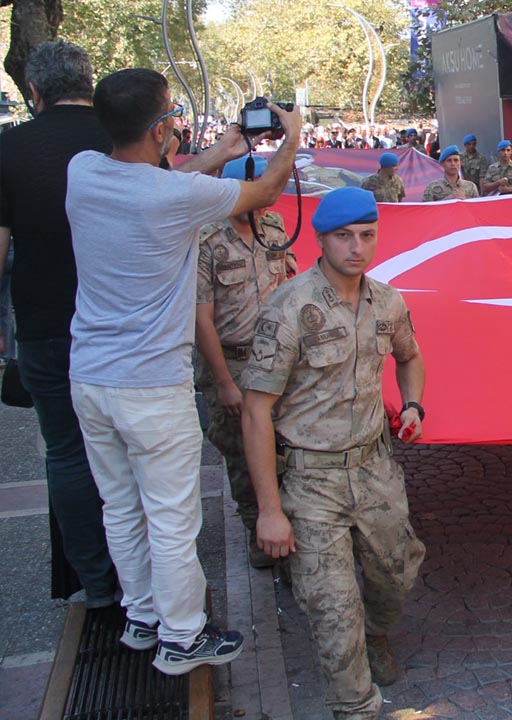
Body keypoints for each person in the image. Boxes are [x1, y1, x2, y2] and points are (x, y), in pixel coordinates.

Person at [65, 67, 301, 674]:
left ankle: (143, 617)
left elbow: (156, 181)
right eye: (171, 115)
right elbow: (267, 193)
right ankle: (183, 636)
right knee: (172, 515)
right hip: (150, 386)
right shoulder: (174, 197)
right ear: (161, 126)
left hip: (90, 377)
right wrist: (293, 137)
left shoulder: (83, 172)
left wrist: (219, 153)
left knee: (120, 507)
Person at [240, 187, 427, 720]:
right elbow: (256, 413)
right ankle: (355, 704)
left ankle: (376, 634)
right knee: (331, 607)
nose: (357, 248)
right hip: (309, 481)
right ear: (321, 240)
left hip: (374, 470)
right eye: (344, 237)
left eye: (367, 235)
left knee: (397, 574)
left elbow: (411, 357)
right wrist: (270, 511)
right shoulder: (290, 308)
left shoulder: (388, 301)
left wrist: (413, 405)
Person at [0, 40, 119, 609]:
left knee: (67, 453)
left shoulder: (9, 148)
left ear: (34, 91)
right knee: (133, 453)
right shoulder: (123, 139)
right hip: (123, 327)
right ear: (90, 83)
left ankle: (95, 583)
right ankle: (141, 583)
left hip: (45, 328)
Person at [194, 154, 295, 570]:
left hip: (276, 356)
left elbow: (288, 283)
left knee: (285, 451)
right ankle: (258, 531)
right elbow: (200, 319)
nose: (263, 201)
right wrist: (223, 382)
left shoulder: (274, 227)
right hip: (232, 362)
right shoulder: (206, 240)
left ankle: (288, 531)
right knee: (241, 454)